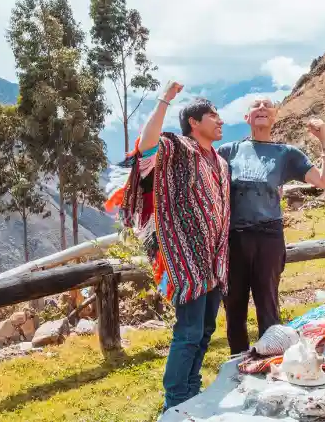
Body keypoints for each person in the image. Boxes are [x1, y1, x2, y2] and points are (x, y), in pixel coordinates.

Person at [106, 81, 230, 411]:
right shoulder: (178, 148)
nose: (220, 121)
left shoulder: (219, 162)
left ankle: (192, 390)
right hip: (185, 258)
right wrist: (164, 99)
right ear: (194, 122)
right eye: (214, 116)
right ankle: (174, 402)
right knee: (188, 331)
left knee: (205, 329)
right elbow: (146, 147)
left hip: (214, 259)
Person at [217, 98, 325, 355]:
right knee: (234, 306)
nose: (261, 108)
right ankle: (238, 362)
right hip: (234, 238)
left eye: (267, 105)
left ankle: (269, 360)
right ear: (247, 118)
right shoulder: (228, 151)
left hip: (268, 237)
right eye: (255, 105)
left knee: (268, 303)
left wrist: (324, 141)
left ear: (274, 116)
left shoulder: (286, 154)